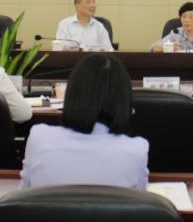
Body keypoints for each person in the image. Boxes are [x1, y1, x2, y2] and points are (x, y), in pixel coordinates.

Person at [20, 54, 149, 189]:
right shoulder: (137, 150)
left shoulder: (39, 137)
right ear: (123, 100)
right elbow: (139, 199)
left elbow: (23, 195)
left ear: (72, 92)